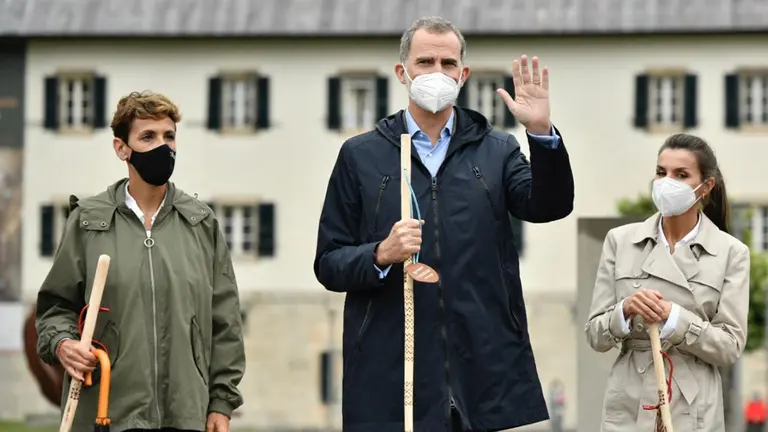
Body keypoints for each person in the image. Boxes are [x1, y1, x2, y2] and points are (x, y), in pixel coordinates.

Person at [314, 16, 574, 432]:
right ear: (402, 72)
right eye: (425, 62)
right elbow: (329, 262)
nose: (437, 72)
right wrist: (380, 254)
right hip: (391, 362)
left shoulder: (497, 149)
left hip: (480, 361)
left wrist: (541, 133)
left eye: (448, 63)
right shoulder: (361, 155)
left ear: (463, 74)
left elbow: (549, 206)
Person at [35, 91, 245, 432]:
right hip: (107, 411)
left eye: (169, 136)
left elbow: (225, 321)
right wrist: (62, 343)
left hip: (185, 413)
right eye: (148, 137)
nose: (163, 147)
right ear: (122, 148)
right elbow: (55, 307)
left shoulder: (201, 223)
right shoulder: (88, 221)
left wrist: (222, 402)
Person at [584, 133, 750, 431]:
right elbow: (595, 336)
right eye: (661, 172)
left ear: (706, 186)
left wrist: (674, 318)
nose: (666, 182)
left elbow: (729, 347)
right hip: (631, 399)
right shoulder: (620, 241)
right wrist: (625, 310)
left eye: (681, 175)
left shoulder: (731, 253)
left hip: (694, 403)